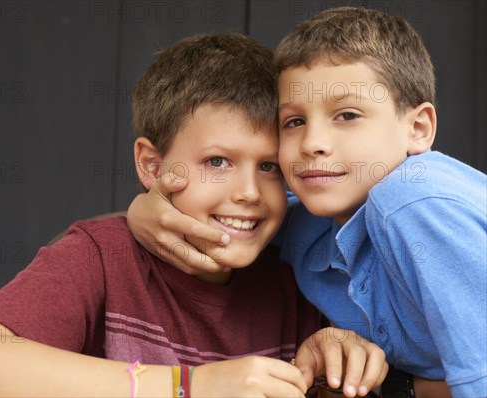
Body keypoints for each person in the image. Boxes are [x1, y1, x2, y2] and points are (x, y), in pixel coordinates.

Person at [0, 33, 387, 397]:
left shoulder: (298, 269)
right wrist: (189, 387)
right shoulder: (102, 256)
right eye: (217, 162)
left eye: (268, 166)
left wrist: (330, 352)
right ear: (151, 164)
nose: (249, 193)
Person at [126, 7, 487, 398]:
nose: (313, 142)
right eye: (294, 121)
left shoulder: (412, 202)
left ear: (417, 129)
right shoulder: (314, 224)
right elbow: (241, 213)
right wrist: (144, 210)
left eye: (347, 115)